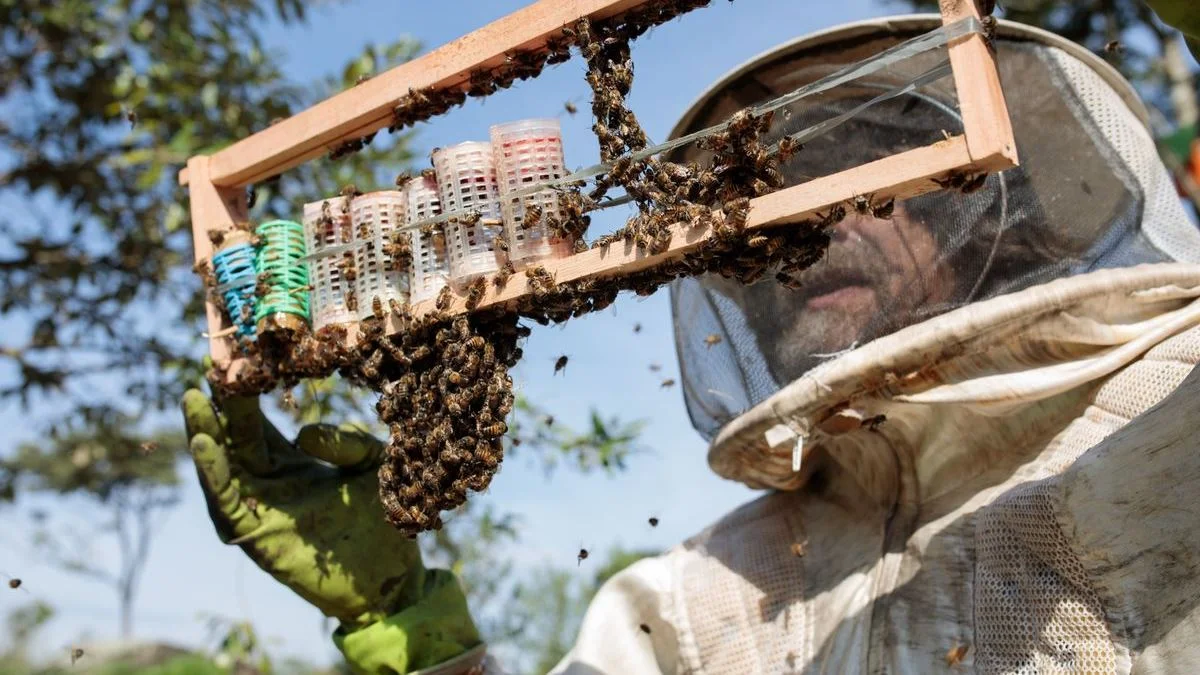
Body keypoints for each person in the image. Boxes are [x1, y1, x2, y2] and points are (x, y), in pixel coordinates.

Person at [182, 12, 1200, 675]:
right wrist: (407, 626)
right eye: (754, 198)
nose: (810, 225)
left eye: (854, 174)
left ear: (968, 208)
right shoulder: (706, 595)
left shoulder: (1173, 416)